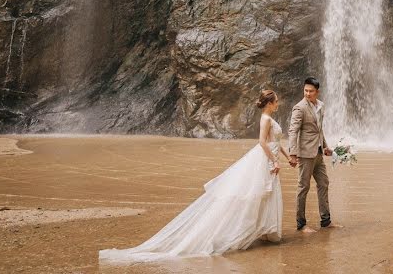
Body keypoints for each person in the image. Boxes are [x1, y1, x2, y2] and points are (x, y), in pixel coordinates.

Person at [99, 90, 292, 263]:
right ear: (269, 103)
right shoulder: (266, 119)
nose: (278, 103)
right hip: (264, 160)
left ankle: (266, 230)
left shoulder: (269, 119)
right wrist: (274, 161)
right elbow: (261, 142)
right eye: (276, 101)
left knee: (265, 194)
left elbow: (275, 141)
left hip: (269, 158)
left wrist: (286, 156)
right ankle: (253, 230)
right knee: (255, 194)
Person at [288, 77, 341, 233]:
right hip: (305, 153)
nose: (308, 93)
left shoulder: (320, 106)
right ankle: (301, 224)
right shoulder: (299, 108)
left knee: (324, 183)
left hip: (318, 152)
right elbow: (293, 131)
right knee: (303, 187)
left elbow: (319, 129)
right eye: (306, 90)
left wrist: (325, 146)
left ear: (317, 92)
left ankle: (326, 221)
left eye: (311, 91)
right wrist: (292, 153)